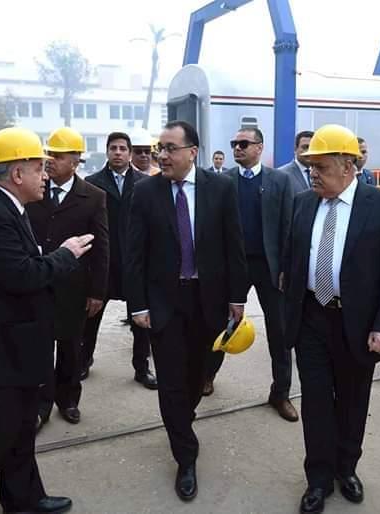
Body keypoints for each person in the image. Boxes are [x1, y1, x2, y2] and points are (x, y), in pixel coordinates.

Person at [0, 127, 94, 514]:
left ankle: (23, 497)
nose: (46, 175)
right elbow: (22, 275)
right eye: (39, 168)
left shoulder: (9, 207)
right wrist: (65, 254)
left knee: (23, 424)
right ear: (17, 173)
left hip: (15, 345)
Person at [284, 124, 380, 513]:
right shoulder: (304, 203)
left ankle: (346, 468)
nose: (313, 174)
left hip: (357, 324)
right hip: (311, 318)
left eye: (321, 167)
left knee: (353, 401)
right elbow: (293, 258)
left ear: (347, 166)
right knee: (316, 402)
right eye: (310, 167)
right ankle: (318, 479)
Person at [127, 120, 247, 501]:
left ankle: (183, 417)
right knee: (171, 382)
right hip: (164, 302)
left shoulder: (221, 188)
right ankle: (186, 455)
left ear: (192, 152)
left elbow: (234, 245)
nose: (162, 155)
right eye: (160, 149)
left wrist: (237, 298)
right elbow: (134, 254)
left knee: (198, 374)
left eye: (170, 149)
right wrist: (138, 305)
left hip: (208, 300)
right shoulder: (145, 192)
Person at [204, 127, 297, 421]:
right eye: (234, 143)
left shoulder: (280, 181)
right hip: (234, 267)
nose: (237, 148)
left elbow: (288, 226)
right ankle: (207, 375)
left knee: (280, 331)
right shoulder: (223, 181)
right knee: (221, 324)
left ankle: (281, 392)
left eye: (244, 143)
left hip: (269, 267)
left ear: (259, 147)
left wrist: (285, 268)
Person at [27, 127, 109, 431]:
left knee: (71, 347)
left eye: (58, 156)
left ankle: (69, 399)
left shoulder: (93, 197)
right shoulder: (34, 191)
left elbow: (101, 247)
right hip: (38, 282)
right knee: (39, 347)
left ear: (75, 161)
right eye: (48, 155)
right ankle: (41, 404)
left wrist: (97, 291)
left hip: (74, 288)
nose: (50, 161)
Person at [83, 132, 156, 388]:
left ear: (129, 153)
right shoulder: (92, 184)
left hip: (135, 262)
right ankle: (84, 360)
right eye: (113, 148)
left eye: (122, 148)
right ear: (107, 151)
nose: (118, 152)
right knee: (91, 316)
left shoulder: (146, 184)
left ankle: (142, 368)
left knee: (141, 319)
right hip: (104, 261)